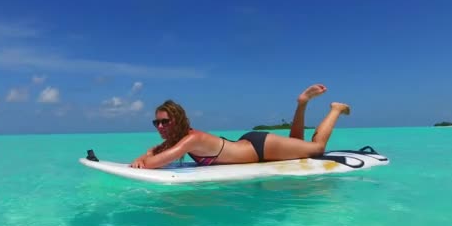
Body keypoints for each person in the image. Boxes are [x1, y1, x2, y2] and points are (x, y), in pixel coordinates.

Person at [130, 84, 350, 169]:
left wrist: (145, 163)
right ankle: (302, 104)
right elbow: (154, 152)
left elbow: (159, 160)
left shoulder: (191, 139)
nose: (159, 126)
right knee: (299, 145)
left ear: (176, 121)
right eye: (156, 122)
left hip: (261, 148)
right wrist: (142, 157)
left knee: (317, 148)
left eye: (164, 121)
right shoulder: (177, 140)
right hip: (250, 144)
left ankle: (335, 109)